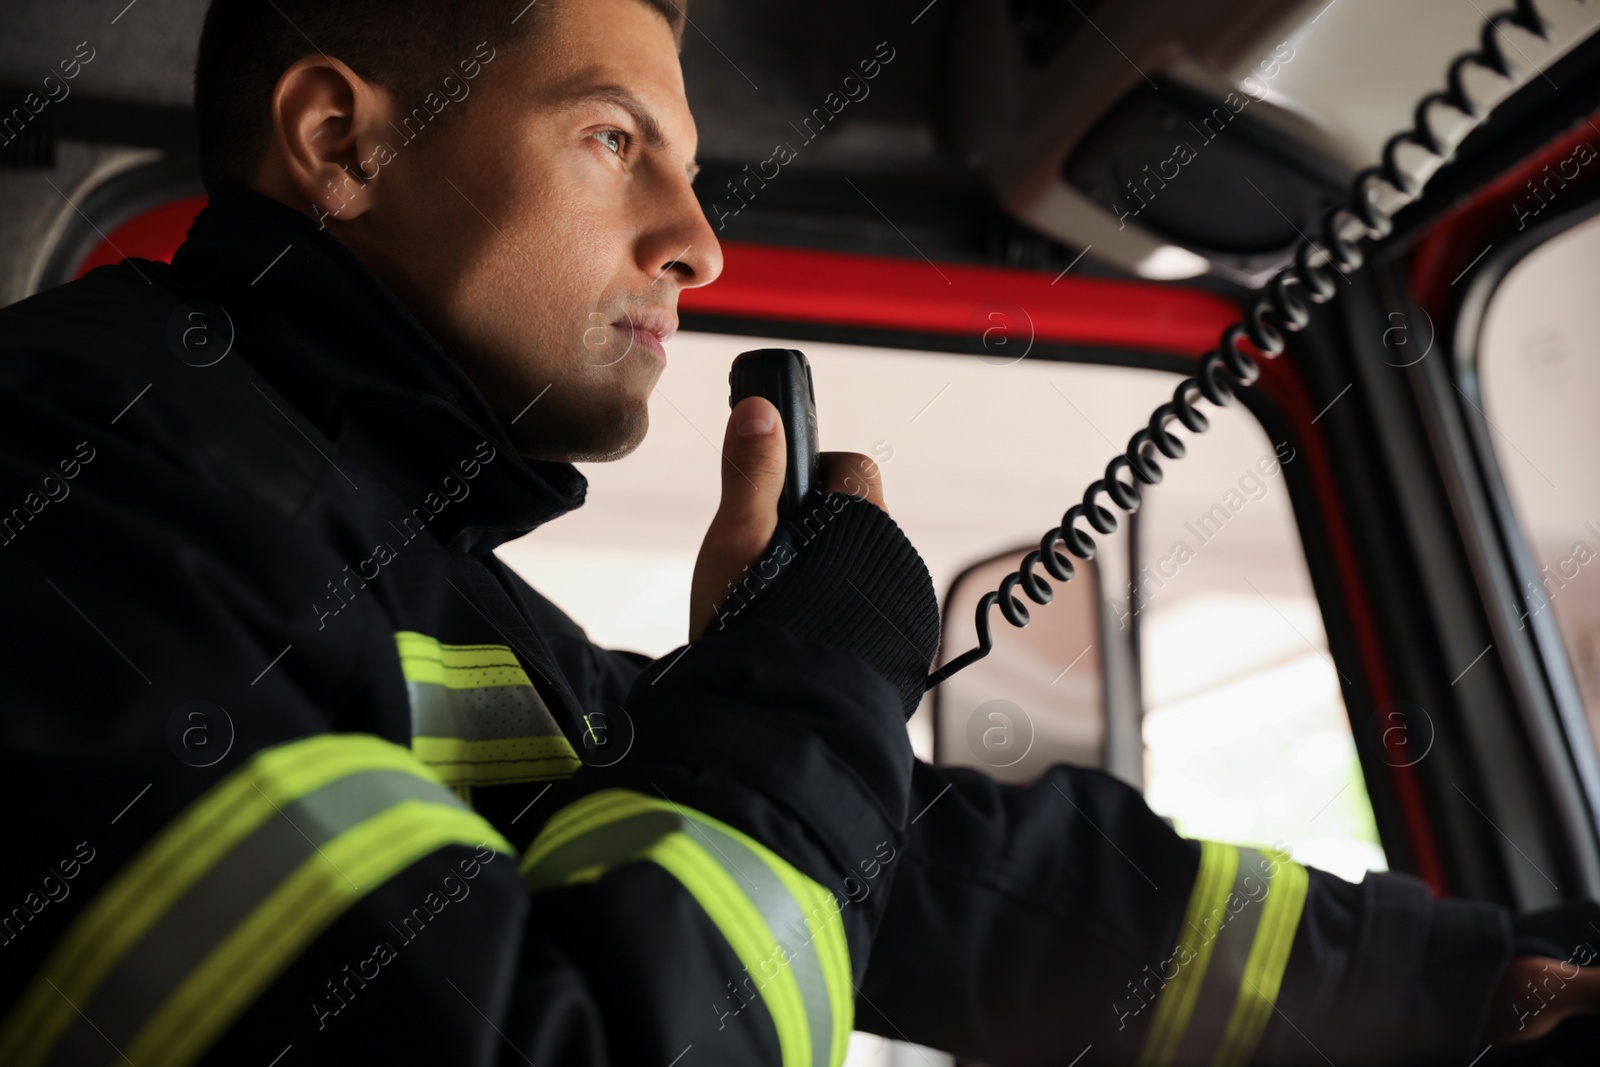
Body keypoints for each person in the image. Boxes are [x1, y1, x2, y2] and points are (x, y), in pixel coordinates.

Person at [0, 0, 1596, 1063]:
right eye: (616, 140)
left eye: (690, 170)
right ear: (341, 143)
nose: (696, 242)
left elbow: (943, 877)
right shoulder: (79, 488)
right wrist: (805, 679)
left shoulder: (398, 573)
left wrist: (1471, 988)